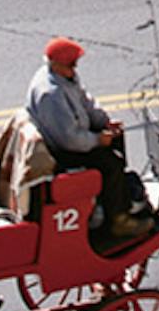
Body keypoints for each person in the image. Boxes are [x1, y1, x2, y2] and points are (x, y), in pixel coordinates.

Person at [25, 39, 151, 247]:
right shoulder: (51, 94)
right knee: (110, 163)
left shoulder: (65, 77)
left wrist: (104, 122)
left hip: (73, 135)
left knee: (116, 142)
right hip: (62, 150)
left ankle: (118, 196)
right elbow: (69, 139)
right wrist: (97, 140)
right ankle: (118, 220)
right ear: (55, 64)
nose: (75, 68)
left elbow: (86, 101)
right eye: (71, 64)